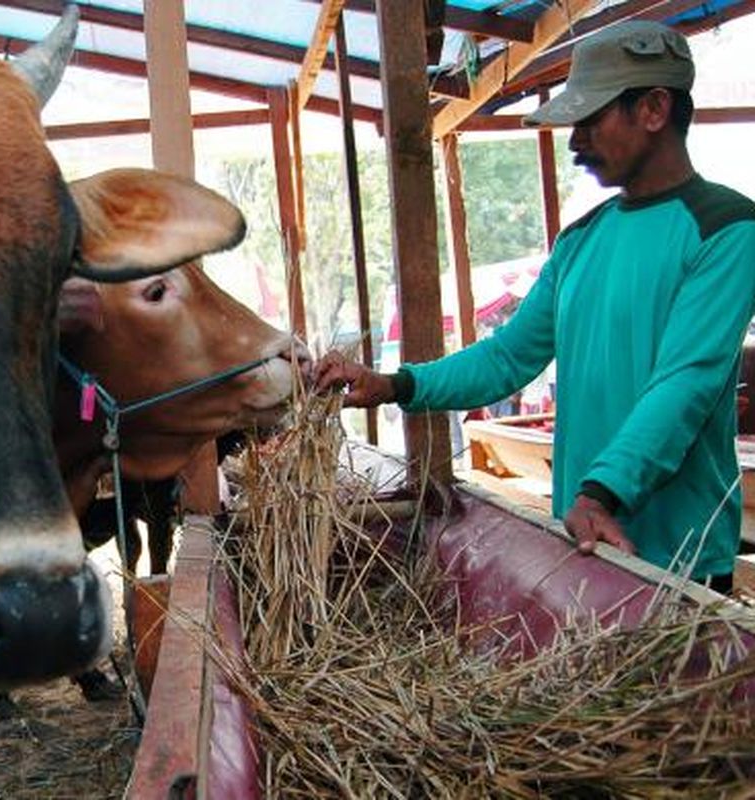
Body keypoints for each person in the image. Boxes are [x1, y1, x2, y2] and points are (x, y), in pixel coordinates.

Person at [314, 21, 755, 595]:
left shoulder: (726, 229)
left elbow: (686, 383)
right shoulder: (580, 241)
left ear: (653, 108)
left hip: (677, 553)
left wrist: (602, 492)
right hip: (585, 541)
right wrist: (395, 384)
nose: (575, 144)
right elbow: (508, 357)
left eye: (591, 121)